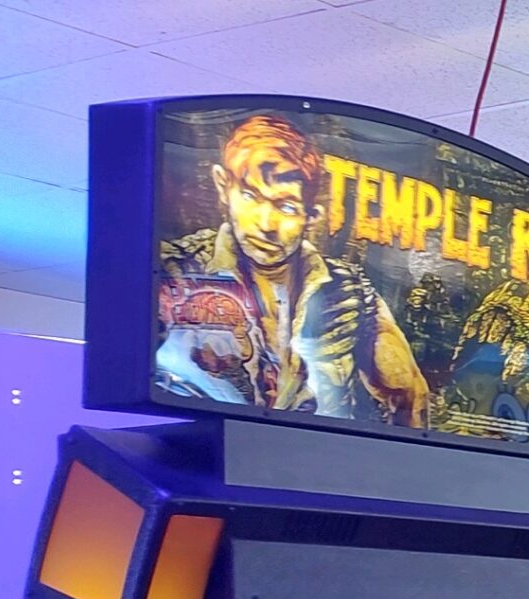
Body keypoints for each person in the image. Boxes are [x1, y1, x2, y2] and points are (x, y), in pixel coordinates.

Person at [158, 114, 428, 424]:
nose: (265, 225)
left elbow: (409, 394)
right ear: (223, 186)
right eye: (249, 196)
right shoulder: (176, 270)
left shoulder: (348, 290)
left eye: (286, 206)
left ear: (312, 216)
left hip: (319, 465)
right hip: (199, 459)